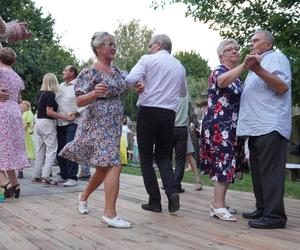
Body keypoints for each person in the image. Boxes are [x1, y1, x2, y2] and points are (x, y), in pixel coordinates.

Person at [59, 31, 139, 228]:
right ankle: (110, 214)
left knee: (104, 167)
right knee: (115, 164)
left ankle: (83, 195)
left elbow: (129, 84)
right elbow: (79, 100)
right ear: (98, 48)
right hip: (96, 122)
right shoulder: (90, 72)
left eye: (114, 44)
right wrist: (94, 93)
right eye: (109, 44)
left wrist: (138, 87)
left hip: (113, 124)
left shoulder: (119, 72)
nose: (114, 47)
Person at [126, 34, 187, 213]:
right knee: (163, 156)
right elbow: (183, 92)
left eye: (150, 45)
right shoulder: (179, 66)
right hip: (169, 114)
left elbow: (130, 79)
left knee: (145, 158)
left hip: (148, 111)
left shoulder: (148, 60)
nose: (148, 49)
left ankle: (155, 201)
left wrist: (141, 84)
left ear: (158, 45)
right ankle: (172, 191)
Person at [237, 30, 292, 229]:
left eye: (256, 40)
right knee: (259, 172)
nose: (251, 43)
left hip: (271, 125)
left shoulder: (276, 58)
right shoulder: (257, 64)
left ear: (268, 45)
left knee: (270, 173)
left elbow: (282, 87)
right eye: (250, 40)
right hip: (256, 127)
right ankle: (263, 209)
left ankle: (275, 216)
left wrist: (258, 70)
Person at [200, 39, 247, 221]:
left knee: (230, 161)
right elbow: (221, 82)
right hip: (220, 125)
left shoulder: (237, 76)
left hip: (233, 125)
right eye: (230, 49)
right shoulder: (219, 71)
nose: (235, 51)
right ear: (222, 55)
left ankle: (220, 201)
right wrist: (245, 65)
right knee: (224, 161)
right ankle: (217, 206)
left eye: (236, 48)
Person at [32, 73, 74, 185]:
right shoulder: (50, 95)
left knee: (40, 149)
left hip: (38, 122)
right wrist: (65, 117)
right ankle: (46, 175)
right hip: (47, 123)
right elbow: (49, 112)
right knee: (52, 150)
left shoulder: (40, 93)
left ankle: (36, 175)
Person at [0, 47, 30, 198]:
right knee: (7, 150)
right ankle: (16, 185)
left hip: (2, 111)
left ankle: (5, 182)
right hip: (15, 112)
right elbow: (19, 99)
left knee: (2, 149)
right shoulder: (17, 77)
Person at [55, 65, 81, 187]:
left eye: (65, 70)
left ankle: (72, 177)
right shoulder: (59, 86)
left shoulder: (78, 85)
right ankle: (63, 174)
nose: (63, 71)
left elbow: (86, 101)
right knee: (60, 148)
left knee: (70, 148)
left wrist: (77, 112)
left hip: (73, 122)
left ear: (72, 73)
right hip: (60, 121)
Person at [18, 100, 35, 178]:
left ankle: (27, 161)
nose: (21, 107)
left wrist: (21, 130)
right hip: (23, 134)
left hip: (27, 134)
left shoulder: (29, 113)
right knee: (25, 149)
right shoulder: (23, 113)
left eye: (23, 105)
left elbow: (27, 123)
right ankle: (22, 168)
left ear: (27, 106)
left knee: (27, 148)